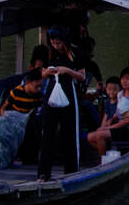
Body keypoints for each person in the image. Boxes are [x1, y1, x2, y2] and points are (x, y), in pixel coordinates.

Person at [38, 26, 92, 181]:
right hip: (51, 92)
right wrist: (48, 72)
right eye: (54, 43)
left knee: (70, 132)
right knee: (48, 132)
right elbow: (41, 73)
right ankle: (43, 173)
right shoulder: (47, 52)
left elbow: (82, 76)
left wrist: (66, 70)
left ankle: (71, 172)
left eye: (59, 43)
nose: (57, 46)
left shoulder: (75, 53)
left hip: (69, 91)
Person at [87, 68, 129, 158]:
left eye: (128, 79)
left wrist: (111, 127)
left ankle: (103, 163)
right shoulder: (120, 94)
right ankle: (107, 156)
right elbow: (118, 115)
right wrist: (106, 125)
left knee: (100, 135)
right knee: (90, 137)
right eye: (123, 78)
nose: (125, 81)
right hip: (118, 127)